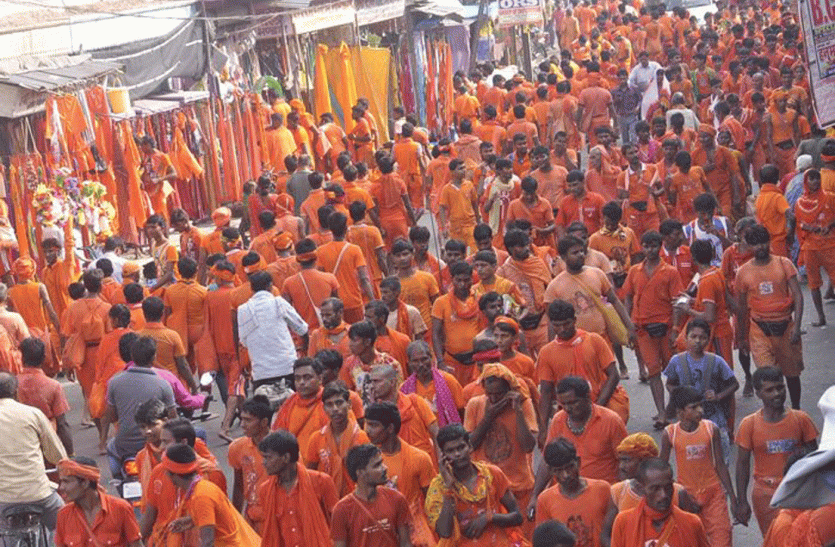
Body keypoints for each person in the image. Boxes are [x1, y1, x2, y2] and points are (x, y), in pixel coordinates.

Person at [735, 366, 819, 535]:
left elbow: (815, 459)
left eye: (780, 387)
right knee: (773, 537)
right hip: (765, 496)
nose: (776, 394)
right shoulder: (748, 425)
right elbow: (742, 465)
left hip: (797, 492)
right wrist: (742, 502)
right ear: (758, 393)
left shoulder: (801, 419)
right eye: (769, 390)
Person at [529, 376, 627, 519]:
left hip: (602, 501)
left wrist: (621, 498)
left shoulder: (611, 421)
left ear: (588, 397)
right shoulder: (558, 420)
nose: (567, 408)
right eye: (563, 404)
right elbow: (547, 460)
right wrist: (535, 496)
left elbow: (625, 464)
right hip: (565, 499)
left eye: (573, 402)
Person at [735, 224, 804, 409]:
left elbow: (798, 296)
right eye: (756, 244)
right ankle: (775, 411)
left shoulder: (784, 263)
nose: (761, 247)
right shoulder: (742, 272)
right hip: (759, 330)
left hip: (786, 327)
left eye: (764, 242)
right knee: (768, 376)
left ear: (769, 242)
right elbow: (741, 308)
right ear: (749, 246)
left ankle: (796, 410)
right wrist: (742, 338)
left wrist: (797, 327)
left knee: (792, 375)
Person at [660, 386, 739, 547]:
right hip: (686, 496)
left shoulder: (711, 429)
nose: (700, 410)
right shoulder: (670, 434)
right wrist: (676, 494)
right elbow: (662, 469)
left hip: (713, 494)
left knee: (721, 538)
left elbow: (720, 465)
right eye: (693, 407)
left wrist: (732, 496)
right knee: (691, 540)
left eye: (700, 405)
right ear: (680, 412)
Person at [464, 363, 537, 535]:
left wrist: (518, 410)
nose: (494, 399)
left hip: (519, 486)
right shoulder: (475, 405)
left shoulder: (523, 404)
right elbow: (469, 445)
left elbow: (528, 446)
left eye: (499, 394)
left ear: (509, 389)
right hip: (486, 489)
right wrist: (489, 416)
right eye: (490, 394)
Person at [426, 422, 526, 546]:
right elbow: (444, 532)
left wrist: (489, 518)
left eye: (461, 447)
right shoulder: (439, 487)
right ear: (443, 456)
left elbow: (517, 517)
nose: (457, 454)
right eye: (450, 451)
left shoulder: (491, 474)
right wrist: (448, 488)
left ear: (470, 447)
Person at [536, 299, 629, 431]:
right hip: (571, 413)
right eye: (557, 325)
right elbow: (545, 391)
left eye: (566, 324)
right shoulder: (546, 353)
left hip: (603, 405)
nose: (562, 329)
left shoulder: (594, 340)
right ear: (551, 324)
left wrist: (597, 408)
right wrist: (543, 428)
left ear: (574, 320)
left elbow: (613, 375)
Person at [623, 231, 683, 426]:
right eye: (646, 246)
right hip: (643, 330)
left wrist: (675, 329)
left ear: (660, 246)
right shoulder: (634, 271)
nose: (650, 250)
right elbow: (628, 298)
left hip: (665, 329)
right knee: (653, 372)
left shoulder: (671, 272)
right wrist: (628, 326)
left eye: (654, 246)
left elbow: (677, 302)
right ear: (642, 247)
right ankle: (662, 412)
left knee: (673, 373)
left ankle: (674, 407)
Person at [0, 372, 66, 531]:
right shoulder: (32, 414)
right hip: (39, 493)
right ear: (16, 392)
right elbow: (57, 455)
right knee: (68, 523)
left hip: (3, 499)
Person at [100, 336, 175, 476]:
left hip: (125, 444)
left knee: (111, 449)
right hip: (157, 444)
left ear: (132, 356)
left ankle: (120, 480)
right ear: (154, 357)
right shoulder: (163, 384)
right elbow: (173, 419)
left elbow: (111, 416)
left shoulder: (114, 382)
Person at [157, 444, 260, 546]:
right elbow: (217, 518)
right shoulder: (202, 487)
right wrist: (191, 520)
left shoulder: (201, 496)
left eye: (166, 471)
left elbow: (207, 543)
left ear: (174, 474)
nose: (165, 475)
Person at [364, 402, 436, 547]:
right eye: (367, 424)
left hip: (414, 531)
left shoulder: (419, 458)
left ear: (390, 428)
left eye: (374, 425)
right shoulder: (365, 460)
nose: (367, 430)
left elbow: (433, 501)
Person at [258, 429, 338, 547]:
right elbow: (272, 532)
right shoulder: (265, 491)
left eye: (268, 457)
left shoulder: (321, 481)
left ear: (285, 457)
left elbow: (338, 525)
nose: (263, 463)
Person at [535, 438, 617, 547]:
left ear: (578, 462)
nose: (565, 475)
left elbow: (614, 532)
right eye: (558, 470)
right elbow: (545, 541)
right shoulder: (545, 500)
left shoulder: (603, 489)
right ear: (551, 471)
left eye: (569, 467)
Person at [610, 459, 710, 547]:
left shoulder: (692, 523)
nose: (663, 495)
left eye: (668, 487)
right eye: (655, 488)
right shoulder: (623, 522)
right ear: (641, 489)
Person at [332, 443, 413, 547]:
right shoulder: (341, 510)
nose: (385, 468)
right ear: (360, 472)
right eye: (377, 465)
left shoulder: (397, 499)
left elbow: (406, 543)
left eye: (382, 463)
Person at [238, 271, 309, 388]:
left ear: (251, 288)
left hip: (261, 373)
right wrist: (305, 350)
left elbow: (244, 342)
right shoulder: (279, 303)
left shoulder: (243, 310)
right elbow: (302, 328)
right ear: (270, 286)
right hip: (287, 368)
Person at [55, 457, 142, 547]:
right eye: (61, 482)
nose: (61, 487)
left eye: (66, 482)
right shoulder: (63, 515)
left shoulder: (121, 508)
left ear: (85, 483)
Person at [306, 381, 369, 496]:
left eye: (339, 403)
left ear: (349, 404)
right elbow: (311, 474)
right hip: (326, 501)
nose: (335, 409)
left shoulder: (362, 438)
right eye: (329, 404)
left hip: (356, 501)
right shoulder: (316, 438)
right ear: (324, 408)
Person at [610, 433, 699, 514]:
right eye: (621, 460)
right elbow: (608, 530)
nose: (621, 466)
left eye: (627, 460)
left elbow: (692, 527)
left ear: (643, 461)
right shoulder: (618, 492)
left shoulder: (678, 493)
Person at [496, 229, 551, 354]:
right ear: (511, 249)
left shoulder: (538, 264)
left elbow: (550, 290)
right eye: (522, 246)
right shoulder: (504, 271)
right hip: (519, 328)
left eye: (527, 245)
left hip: (541, 322)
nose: (527, 248)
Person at [16, 337, 72, 454]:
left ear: (21, 358)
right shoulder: (53, 385)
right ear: (43, 359)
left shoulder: (13, 384)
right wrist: (70, 454)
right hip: (48, 442)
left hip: (21, 443)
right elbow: (62, 424)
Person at [794, 168, 835, 327]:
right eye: (811, 179)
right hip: (811, 248)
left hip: (830, 244)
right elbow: (799, 226)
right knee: (813, 284)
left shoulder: (830, 198)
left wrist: (830, 225)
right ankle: (821, 317)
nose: (815, 181)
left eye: (817, 178)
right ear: (806, 182)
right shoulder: (800, 203)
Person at [317, 212, 374, 323]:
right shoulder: (354, 249)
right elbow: (364, 278)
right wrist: (372, 301)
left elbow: (322, 278)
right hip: (354, 302)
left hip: (333, 305)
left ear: (330, 229)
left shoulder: (321, 251)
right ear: (346, 228)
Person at [431, 261, 481, 385]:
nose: (462, 284)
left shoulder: (479, 300)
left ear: (472, 279)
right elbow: (436, 334)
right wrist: (441, 362)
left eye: (466, 280)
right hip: (452, 361)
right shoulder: (441, 302)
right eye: (458, 280)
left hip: (476, 361)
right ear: (452, 279)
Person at [228, 395, 273, 530]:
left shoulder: (282, 447)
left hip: (276, 517)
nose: (242, 424)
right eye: (242, 419)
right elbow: (239, 485)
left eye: (248, 420)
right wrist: (235, 518)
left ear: (264, 422)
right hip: (251, 518)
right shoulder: (237, 447)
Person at [138, 296, 196, 392]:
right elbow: (182, 365)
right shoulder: (172, 336)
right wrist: (193, 386)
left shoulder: (138, 336)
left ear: (144, 314)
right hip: (171, 385)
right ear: (162, 314)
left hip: (145, 384)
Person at [400, 340, 464, 425]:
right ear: (409, 363)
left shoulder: (448, 380)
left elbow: (461, 411)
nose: (421, 364)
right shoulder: (405, 389)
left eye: (424, 359)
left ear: (431, 358)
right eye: (415, 361)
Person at [365, 300, 411, 376]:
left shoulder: (403, 340)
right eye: (365, 316)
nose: (366, 321)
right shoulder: (363, 343)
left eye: (369, 317)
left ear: (382, 318)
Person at [380, 277, 428, 341]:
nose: (382, 296)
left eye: (386, 292)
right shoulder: (378, 314)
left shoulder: (411, 311)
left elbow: (420, 339)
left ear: (396, 293)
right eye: (381, 293)